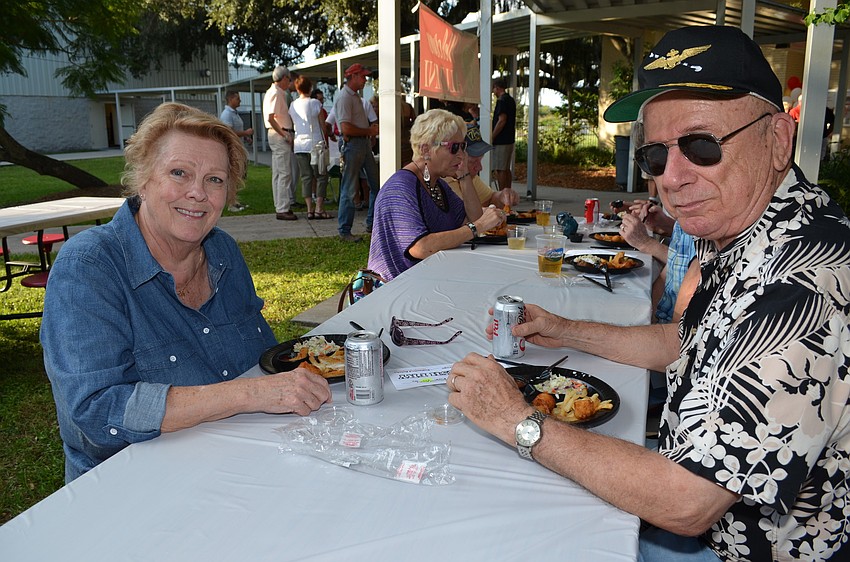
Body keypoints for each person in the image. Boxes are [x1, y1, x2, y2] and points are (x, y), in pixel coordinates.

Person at [447, 25, 850, 561]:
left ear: (778, 139)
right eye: (655, 157)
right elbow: (686, 340)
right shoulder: (749, 223)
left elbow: (688, 502)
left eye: (702, 146)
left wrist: (511, 418)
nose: (672, 179)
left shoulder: (803, 280)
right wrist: (561, 329)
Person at [41, 103, 332, 482]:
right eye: (179, 173)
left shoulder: (222, 251)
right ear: (142, 179)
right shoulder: (90, 267)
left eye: (215, 179)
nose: (198, 193)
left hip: (237, 460)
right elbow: (97, 413)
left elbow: (260, 360)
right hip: (132, 486)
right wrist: (246, 395)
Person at [367, 109, 504, 281]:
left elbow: (472, 217)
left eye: (463, 147)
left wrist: (464, 176)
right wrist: (477, 227)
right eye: (454, 148)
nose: (462, 155)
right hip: (395, 289)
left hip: (426, 281)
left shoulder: (436, 183)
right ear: (426, 150)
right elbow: (421, 247)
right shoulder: (400, 187)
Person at [334, 63, 380, 242]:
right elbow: (345, 128)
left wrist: (368, 133)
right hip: (354, 145)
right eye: (363, 76)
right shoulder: (345, 97)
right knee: (350, 189)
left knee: (375, 185)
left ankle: (372, 223)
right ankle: (345, 230)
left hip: (362, 145)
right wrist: (369, 131)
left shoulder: (353, 97)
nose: (365, 80)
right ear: (353, 76)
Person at [443, 124, 520, 208]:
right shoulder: (439, 182)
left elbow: (490, 200)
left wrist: (502, 196)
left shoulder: (469, 177)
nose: (480, 167)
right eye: (472, 161)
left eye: (480, 160)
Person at [289, 75, 331, 220]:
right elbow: (322, 125)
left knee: (306, 177)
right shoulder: (315, 103)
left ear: (297, 88)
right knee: (321, 176)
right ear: (310, 88)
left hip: (299, 145)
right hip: (315, 144)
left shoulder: (292, 105)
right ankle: (319, 208)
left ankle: (309, 209)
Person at [263, 65, 298, 221]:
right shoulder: (277, 93)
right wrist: (284, 133)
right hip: (279, 133)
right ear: (284, 78)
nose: (289, 83)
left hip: (276, 133)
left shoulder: (272, 92)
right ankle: (283, 208)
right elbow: (271, 117)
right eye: (288, 79)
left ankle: (281, 205)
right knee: (284, 173)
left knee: (278, 173)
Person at [219, 90, 254, 212]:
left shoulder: (234, 113)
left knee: (239, 176)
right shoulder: (227, 114)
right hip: (233, 150)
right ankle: (231, 204)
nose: (240, 101)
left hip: (239, 147)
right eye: (238, 99)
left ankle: (235, 201)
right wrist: (245, 133)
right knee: (234, 176)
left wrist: (246, 137)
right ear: (230, 99)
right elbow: (229, 133)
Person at [491, 77, 516, 193]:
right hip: (509, 139)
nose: (493, 92)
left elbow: (502, 120)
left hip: (501, 140)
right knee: (506, 168)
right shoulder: (510, 99)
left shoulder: (501, 101)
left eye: (494, 89)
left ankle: (502, 194)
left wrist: (492, 136)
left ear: (497, 87)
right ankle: (508, 191)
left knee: (500, 169)